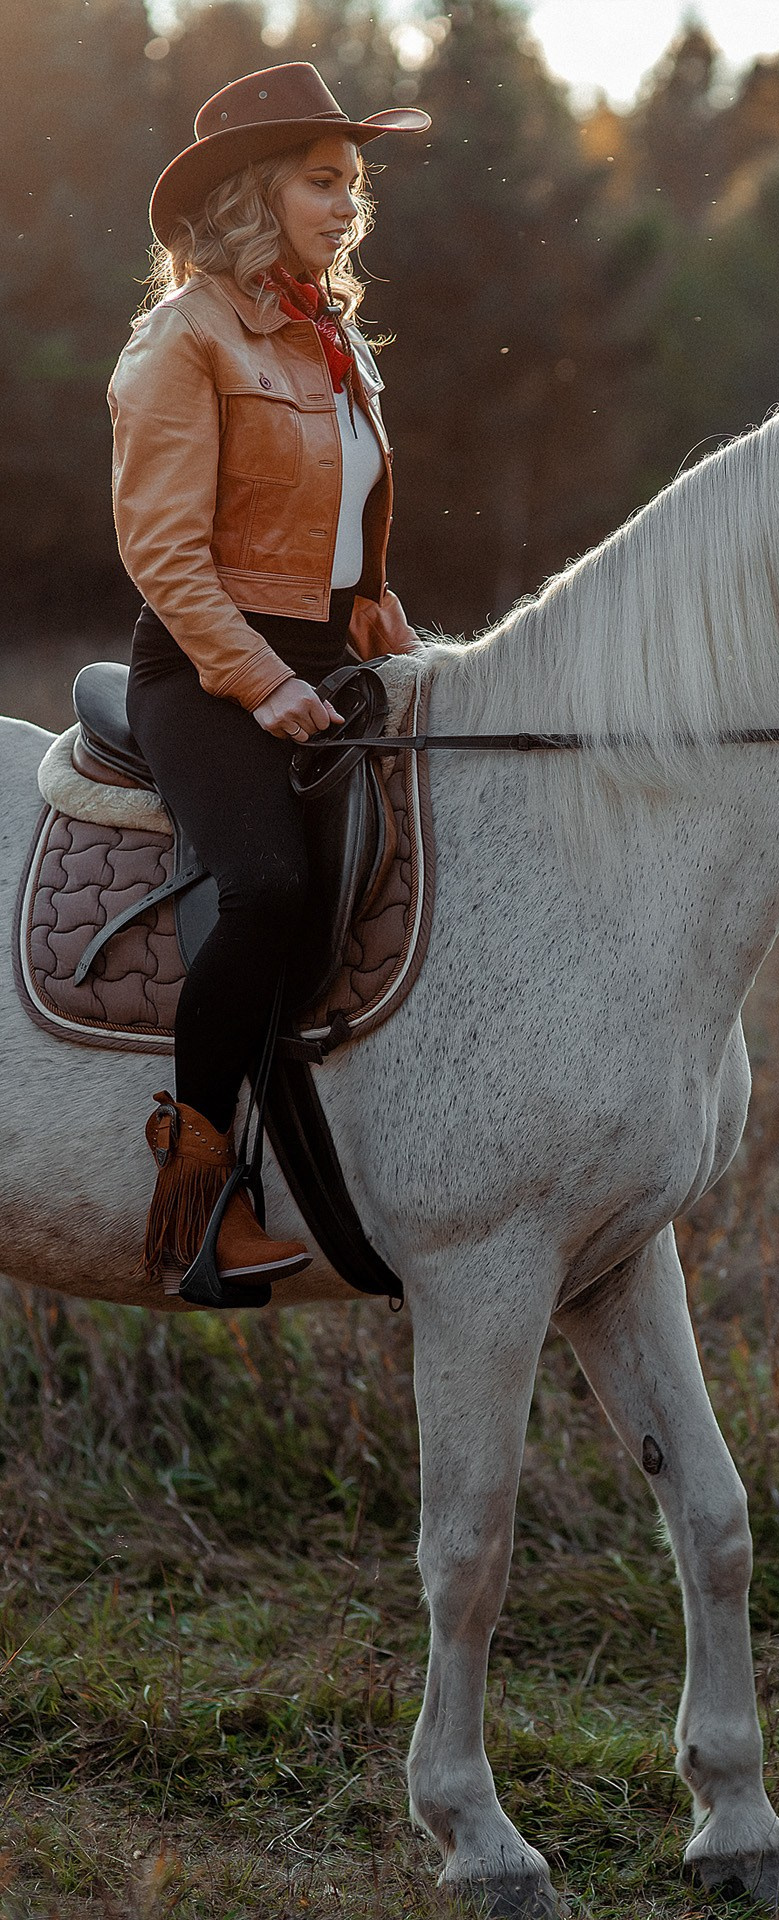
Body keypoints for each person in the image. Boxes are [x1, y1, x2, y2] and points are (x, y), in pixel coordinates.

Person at [108, 63, 429, 1297]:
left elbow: (344, 536)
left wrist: (387, 639)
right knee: (265, 885)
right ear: (258, 194)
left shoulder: (331, 339)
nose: (348, 205)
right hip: (202, 667)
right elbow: (164, 556)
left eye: (353, 184)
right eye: (323, 181)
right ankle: (195, 1204)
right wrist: (257, 682)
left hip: (328, 655)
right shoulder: (180, 341)